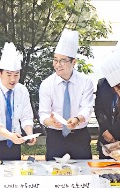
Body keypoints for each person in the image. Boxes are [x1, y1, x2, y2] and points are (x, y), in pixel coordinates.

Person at [39, 29, 94, 161]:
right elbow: (43, 113)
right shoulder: (47, 84)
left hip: (79, 136)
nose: (58, 65)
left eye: (62, 61)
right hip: (55, 137)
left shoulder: (85, 82)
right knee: (53, 174)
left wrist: (77, 119)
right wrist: (49, 122)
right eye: (55, 60)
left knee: (84, 173)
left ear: (73, 62)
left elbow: (87, 108)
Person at [0, 42, 36, 160]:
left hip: (14, 144)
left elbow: (26, 116)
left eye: (16, 75)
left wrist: (29, 133)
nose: (13, 79)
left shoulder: (22, 90)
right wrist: (10, 136)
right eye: (9, 75)